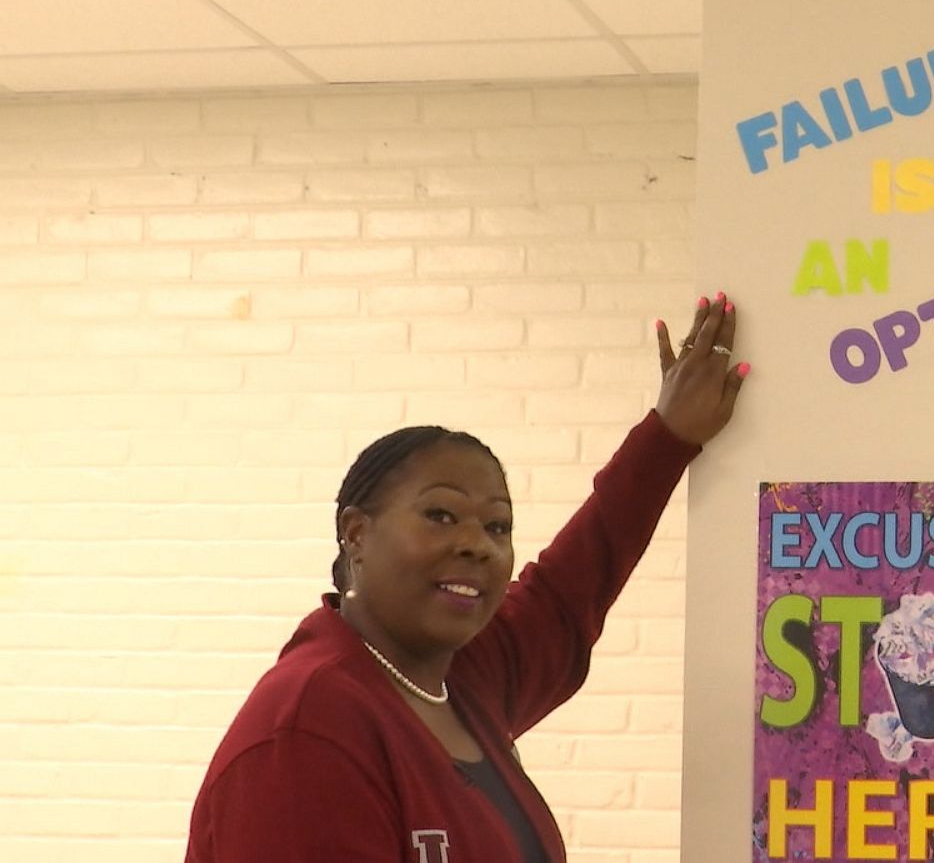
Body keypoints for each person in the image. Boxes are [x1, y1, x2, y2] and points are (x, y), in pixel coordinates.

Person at [185, 295, 748, 863]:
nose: (477, 544)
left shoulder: (462, 679)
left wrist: (668, 438)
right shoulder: (306, 730)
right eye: (441, 516)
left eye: (497, 526)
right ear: (355, 534)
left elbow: (571, 585)